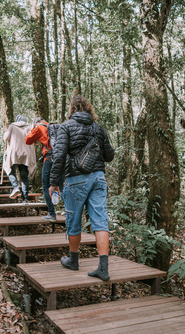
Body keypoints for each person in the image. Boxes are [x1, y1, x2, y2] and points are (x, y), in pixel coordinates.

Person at [49, 96, 115, 281]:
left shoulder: (66, 126)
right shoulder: (98, 128)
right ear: (88, 109)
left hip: (76, 179)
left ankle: (74, 260)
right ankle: (103, 268)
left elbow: (59, 156)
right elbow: (109, 156)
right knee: (100, 221)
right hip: (99, 179)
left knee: (73, 220)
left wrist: (54, 183)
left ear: (71, 109)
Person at [25, 117, 64, 222]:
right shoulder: (55, 127)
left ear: (36, 123)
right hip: (61, 160)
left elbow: (28, 140)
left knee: (46, 186)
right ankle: (70, 213)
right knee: (61, 187)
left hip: (49, 159)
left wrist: (32, 128)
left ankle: (52, 214)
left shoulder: (40, 128)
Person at [3, 115, 36, 204]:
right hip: (26, 155)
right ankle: (25, 199)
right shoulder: (29, 127)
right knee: (24, 177)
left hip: (14, 154)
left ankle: (16, 187)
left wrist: (6, 132)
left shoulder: (12, 126)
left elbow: (5, 139)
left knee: (8, 169)